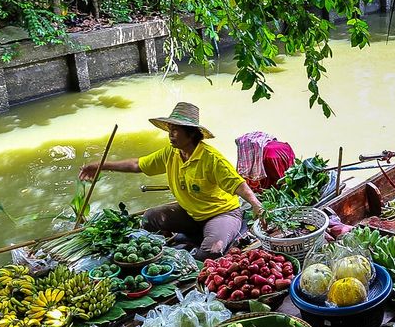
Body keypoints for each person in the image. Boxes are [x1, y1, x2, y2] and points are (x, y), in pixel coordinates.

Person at [79, 102, 265, 258]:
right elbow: (137, 165)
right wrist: (101, 165)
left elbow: (239, 185)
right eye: (170, 130)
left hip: (221, 213)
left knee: (209, 252)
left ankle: (221, 234)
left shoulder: (212, 159)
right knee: (150, 217)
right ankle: (179, 239)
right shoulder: (171, 153)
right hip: (191, 213)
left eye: (175, 130)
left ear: (191, 133)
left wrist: (257, 206)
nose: (170, 134)